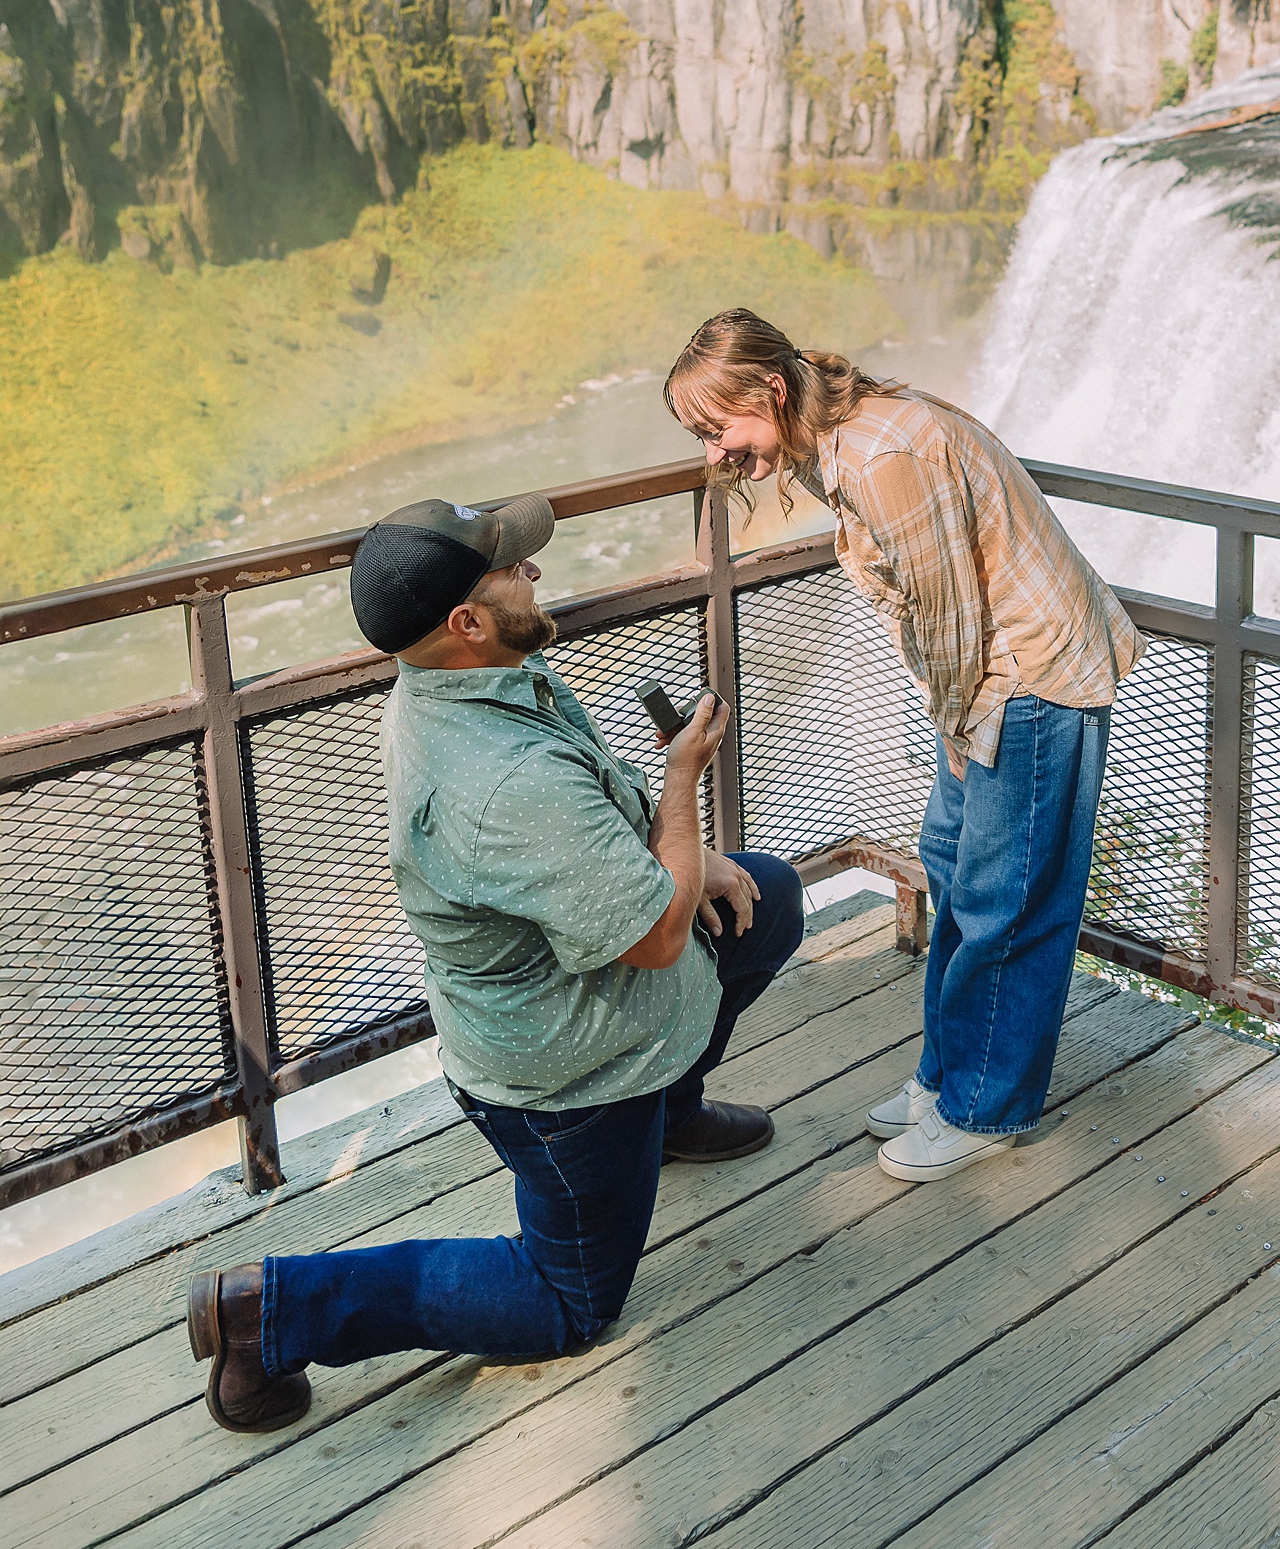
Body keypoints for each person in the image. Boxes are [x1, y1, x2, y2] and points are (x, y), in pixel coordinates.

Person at [187, 490, 803, 1434]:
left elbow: (599, 813)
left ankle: (668, 1113)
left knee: (766, 899)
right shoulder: (504, 780)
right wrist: (683, 782)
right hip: (571, 1078)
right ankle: (266, 1311)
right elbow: (657, 939)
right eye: (513, 568)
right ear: (466, 622)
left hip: (602, 1001)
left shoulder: (480, 674)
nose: (534, 572)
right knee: (566, 1305)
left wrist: (694, 851)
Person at [664, 311, 1142, 1186]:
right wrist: (954, 721)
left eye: (717, 427)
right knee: (954, 869)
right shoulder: (828, 437)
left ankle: (984, 1107)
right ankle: (946, 1075)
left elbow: (950, 613)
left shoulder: (880, 455)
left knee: (1008, 904)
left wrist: (955, 729)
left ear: (771, 389)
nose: (713, 452)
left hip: (1028, 679)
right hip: (986, 682)